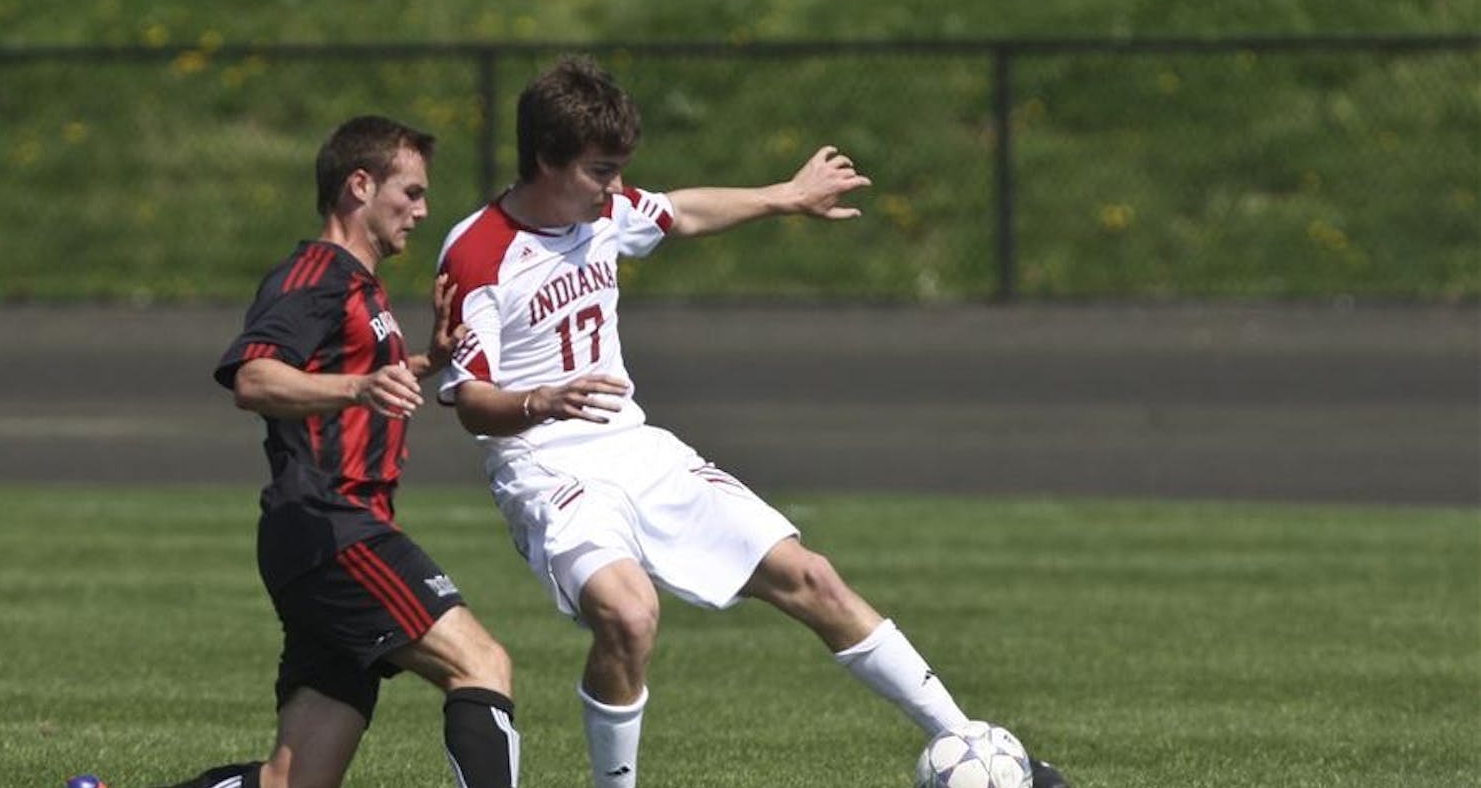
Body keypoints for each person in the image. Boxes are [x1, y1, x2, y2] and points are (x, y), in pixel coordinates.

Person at [434, 56, 1069, 788]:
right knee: (629, 614)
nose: (614, 188)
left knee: (813, 577)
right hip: (546, 465)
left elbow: (680, 212)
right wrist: (538, 400)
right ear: (548, 159)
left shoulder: (602, 211)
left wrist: (786, 197)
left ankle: (976, 748)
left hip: (635, 446)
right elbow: (470, 398)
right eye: (601, 170)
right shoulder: (479, 251)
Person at [156, 116, 519, 788]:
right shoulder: (317, 275)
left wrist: (424, 362)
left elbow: (349, 380)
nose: (422, 210)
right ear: (360, 184)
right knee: (482, 665)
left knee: (292, 783)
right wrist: (361, 383)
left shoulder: (357, 285)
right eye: (409, 192)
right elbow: (254, 377)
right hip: (334, 526)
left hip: (319, 534)